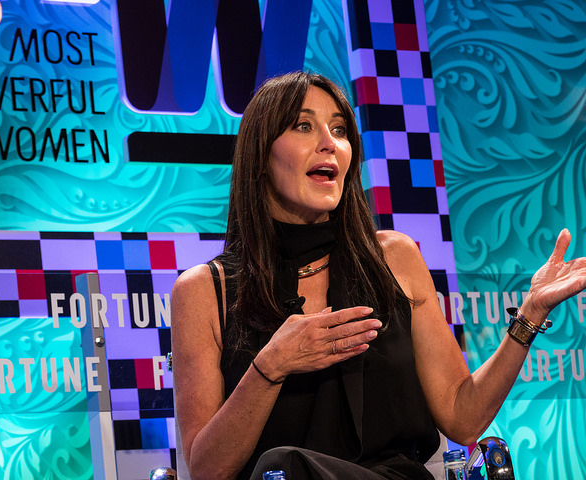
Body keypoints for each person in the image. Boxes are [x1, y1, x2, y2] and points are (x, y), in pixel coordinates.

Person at [170, 72, 586, 480]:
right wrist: (270, 366)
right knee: (284, 467)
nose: (329, 143)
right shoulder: (205, 291)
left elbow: (462, 417)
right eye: (303, 126)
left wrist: (530, 314)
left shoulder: (395, 258)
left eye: (339, 130)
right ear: (261, 155)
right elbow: (206, 469)